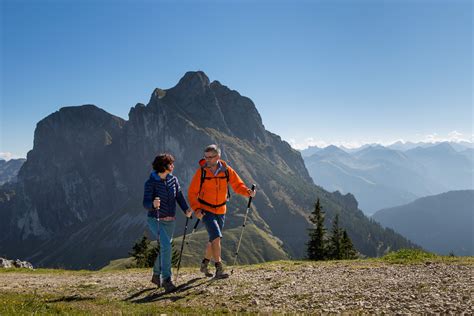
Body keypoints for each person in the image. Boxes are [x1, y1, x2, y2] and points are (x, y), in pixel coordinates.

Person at [188, 144, 256, 279]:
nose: (207, 160)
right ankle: (219, 268)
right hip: (206, 210)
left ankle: (204, 264)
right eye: (205, 157)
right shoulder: (201, 172)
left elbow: (237, 185)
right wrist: (196, 209)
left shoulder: (226, 170)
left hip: (221, 209)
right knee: (216, 237)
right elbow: (192, 193)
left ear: (218, 156)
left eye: (210, 157)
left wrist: (248, 192)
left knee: (212, 240)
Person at [143, 153, 192, 292]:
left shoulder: (173, 180)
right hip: (155, 219)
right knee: (166, 246)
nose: (173, 166)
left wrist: (186, 209)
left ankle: (155, 274)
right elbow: (145, 202)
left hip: (170, 220)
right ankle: (167, 280)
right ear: (164, 166)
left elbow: (179, 196)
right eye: (171, 164)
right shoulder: (151, 182)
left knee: (165, 247)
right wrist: (153, 204)